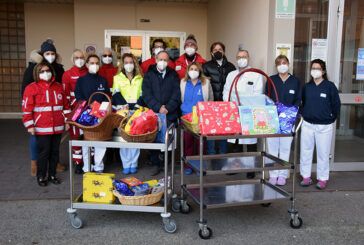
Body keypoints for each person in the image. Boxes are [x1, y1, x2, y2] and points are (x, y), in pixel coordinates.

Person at [21, 38, 66, 176]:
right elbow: (26, 91)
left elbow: (61, 90)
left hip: (55, 111)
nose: (50, 56)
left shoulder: (59, 68)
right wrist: (29, 114)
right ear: (42, 54)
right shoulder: (34, 68)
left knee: (54, 140)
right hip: (38, 111)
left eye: (53, 53)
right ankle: (34, 163)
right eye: (47, 53)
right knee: (36, 138)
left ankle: (55, 161)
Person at [300, 59, 341, 190]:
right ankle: (305, 176)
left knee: (323, 153)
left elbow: (336, 105)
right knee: (306, 151)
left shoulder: (330, 86)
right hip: (307, 124)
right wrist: (304, 114)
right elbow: (303, 103)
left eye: (318, 68)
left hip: (324, 126)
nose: (315, 70)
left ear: (323, 71)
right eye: (313, 68)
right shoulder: (307, 87)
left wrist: (331, 117)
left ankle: (322, 178)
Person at [223, 49, 263, 178]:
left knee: (250, 143)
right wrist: (230, 104)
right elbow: (226, 91)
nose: (241, 59)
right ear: (236, 59)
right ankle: (234, 166)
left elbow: (258, 94)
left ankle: (251, 169)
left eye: (244, 56)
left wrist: (245, 105)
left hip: (249, 112)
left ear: (249, 59)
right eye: (239, 57)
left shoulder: (256, 75)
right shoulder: (231, 74)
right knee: (234, 142)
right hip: (233, 111)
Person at [265, 55, 302, 186]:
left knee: (285, 149)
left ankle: (282, 175)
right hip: (272, 120)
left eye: (284, 62)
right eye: (279, 63)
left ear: (289, 64)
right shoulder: (271, 80)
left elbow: (298, 100)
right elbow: (266, 98)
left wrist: (291, 112)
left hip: (288, 120)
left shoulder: (295, 81)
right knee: (273, 149)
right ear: (276, 66)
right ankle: (273, 175)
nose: (282, 65)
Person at [142, 51, 181, 176]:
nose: (163, 62)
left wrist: (168, 108)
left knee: (169, 140)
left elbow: (177, 94)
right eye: (161, 59)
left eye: (165, 60)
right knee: (154, 138)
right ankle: (155, 164)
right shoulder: (149, 74)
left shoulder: (173, 74)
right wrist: (158, 107)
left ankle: (167, 163)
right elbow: (146, 94)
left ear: (169, 61)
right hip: (155, 113)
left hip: (170, 113)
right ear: (155, 59)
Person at [74, 54, 110, 173]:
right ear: (87, 64)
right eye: (92, 63)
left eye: (96, 63)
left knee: (101, 141)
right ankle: (87, 167)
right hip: (86, 116)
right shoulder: (81, 80)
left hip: (100, 116)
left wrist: (101, 110)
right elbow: (78, 97)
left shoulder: (103, 80)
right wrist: (89, 109)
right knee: (87, 142)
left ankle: (99, 166)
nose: (94, 65)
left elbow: (107, 97)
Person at [112, 53, 144, 174]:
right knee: (123, 137)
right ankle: (126, 164)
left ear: (134, 63)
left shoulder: (140, 78)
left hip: (136, 110)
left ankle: (133, 163)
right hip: (123, 111)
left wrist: (136, 106)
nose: (129, 65)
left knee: (135, 137)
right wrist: (124, 106)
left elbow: (143, 94)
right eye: (126, 62)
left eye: (131, 62)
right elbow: (115, 93)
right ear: (122, 64)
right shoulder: (117, 77)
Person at [180, 62, 213, 175]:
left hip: (201, 118)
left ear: (199, 71)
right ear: (188, 71)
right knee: (188, 143)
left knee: (200, 144)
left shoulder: (205, 83)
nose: (193, 71)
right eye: (191, 69)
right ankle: (188, 166)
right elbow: (181, 98)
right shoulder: (183, 83)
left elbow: (210, 99)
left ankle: (200, 167)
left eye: (196, 69)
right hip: (186, 117)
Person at [203, 42, 235, 155]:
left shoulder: (231, 67)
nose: (218, 51)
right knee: (211, 131)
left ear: (224, 51)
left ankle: (222, 155)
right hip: (211, 103)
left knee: (223, 131)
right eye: (215, 49)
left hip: (225, 104)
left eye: (220, 49)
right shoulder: (206, 66)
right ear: (211, 52)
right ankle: (211, 155)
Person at [62, 49, 88, 174]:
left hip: (88, 111)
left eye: (82, 57)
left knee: (89, 136)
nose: (79, 60)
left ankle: (90, 160)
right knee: (76, 137)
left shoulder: (89, 72)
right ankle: (78, 162)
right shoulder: (67, 75)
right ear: (73, 59)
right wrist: (67, 117)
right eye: (77, 57)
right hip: (74, 112)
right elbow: (65, 97)